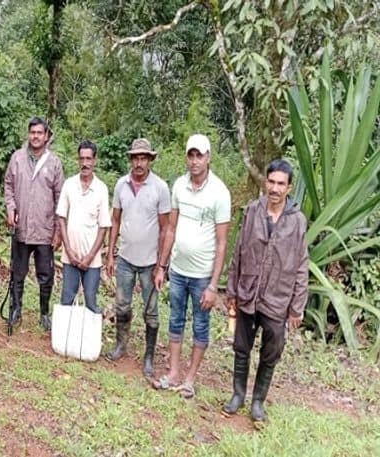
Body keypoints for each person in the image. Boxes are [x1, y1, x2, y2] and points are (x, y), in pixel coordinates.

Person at [222, 159, 308, 424]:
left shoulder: (297, 221)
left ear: (289, 187)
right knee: (241, 347)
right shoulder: (252, 211)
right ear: (265, 182)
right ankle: (238, 394)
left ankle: (258, 401)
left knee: (271, 352)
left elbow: (302, 263)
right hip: (248, 293)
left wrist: (297, 306)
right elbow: (239, 251)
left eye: (281, 184)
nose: (275, 188)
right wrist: (232, 291)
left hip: (277, 298)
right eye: (271, 182)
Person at [152, 134, 230, 399]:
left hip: (201, 276)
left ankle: (190, 379)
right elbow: (171, 228)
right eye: (191, 155)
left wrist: (213, 285)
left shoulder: (219, 192)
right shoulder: (179, 187)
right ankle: (173, 373)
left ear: (208, 157)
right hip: (178, 270)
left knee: (200, 325)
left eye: (200, 155)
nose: (195, 161)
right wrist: (162, 266)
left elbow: (222, 243)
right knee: (175, 320)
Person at [103, 138, 170, 378]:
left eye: (143, 158)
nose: (138, 163)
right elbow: (115, 220)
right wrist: (110, 254)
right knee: (122, 304)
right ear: (130, 159)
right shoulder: (121, 185)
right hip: (125, 259)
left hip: (150, 262)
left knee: (151, 310)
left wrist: (162, 265)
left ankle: (149, 357)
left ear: (150, 160)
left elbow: (166, 229)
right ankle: (121, 344)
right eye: (135, 158)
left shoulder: (160, 188)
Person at [4, 116, 64, 331]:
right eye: (32, 133)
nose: (36, 136)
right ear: (28, 135)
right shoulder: (17, 158)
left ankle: (44, 312)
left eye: (40, 133)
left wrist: (57, 231)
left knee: (45, 275)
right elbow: (9, 186)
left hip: (44, 230)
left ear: (46, 136)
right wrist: (10, 209)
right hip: (21, 229)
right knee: (17, 272)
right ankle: (16, 309)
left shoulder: (54, 162)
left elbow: (60, 198)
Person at [56, 140, 110, 313]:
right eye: (81, 159)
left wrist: (90, 256)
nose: (85, 163)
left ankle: (89, 339)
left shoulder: (101, 189)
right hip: (69, 256)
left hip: (91, 259)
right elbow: (61, 218)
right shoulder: (69, 185)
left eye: (88, 159)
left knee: (91, 302)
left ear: (95, 160)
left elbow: (103, 227)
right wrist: (69, 251)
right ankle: (65, 339)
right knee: (67, 300)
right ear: (78, 160)